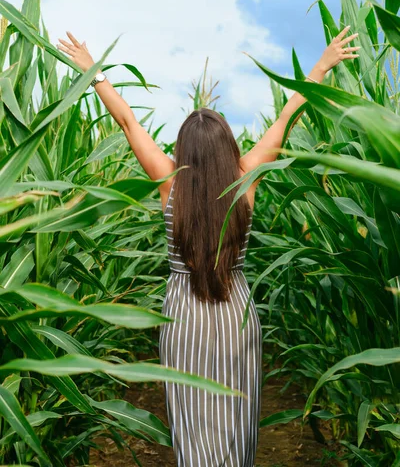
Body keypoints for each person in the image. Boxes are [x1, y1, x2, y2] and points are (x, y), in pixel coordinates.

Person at [57, 26, 359, 466]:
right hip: (234, 314)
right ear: (226, 149)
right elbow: (286, 120)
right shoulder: (246, 179)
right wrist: (320, 66)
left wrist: (94, 72)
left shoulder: (168, 181)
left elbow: (128, 122)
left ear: (184, 150)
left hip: (183, 317)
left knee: (193, 425)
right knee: (235, 422)